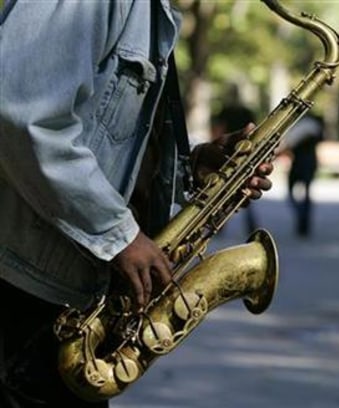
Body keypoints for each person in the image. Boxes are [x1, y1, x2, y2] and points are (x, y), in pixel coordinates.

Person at [0, 2, 273, 407]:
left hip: (68, 303)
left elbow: (104, 133)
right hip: (21, 300)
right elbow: (20, 114)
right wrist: (119, 235)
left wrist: (192, 166)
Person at [211, 101, 260, 235]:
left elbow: (218, 128)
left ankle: (219, 225)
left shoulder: (225, 110)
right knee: (246, 190)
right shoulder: (247, 111)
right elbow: (255, 129)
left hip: (227, 151)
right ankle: (251, 225)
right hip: (244, 152)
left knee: (223, 189)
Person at [279, 112, 324, 237]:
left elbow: (290, 143)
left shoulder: (305, 124)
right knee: (305, 195)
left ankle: (302, 220)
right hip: (308, 163)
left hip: (301, 163)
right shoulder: (313, 124)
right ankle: (303, 220)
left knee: (295, 194)